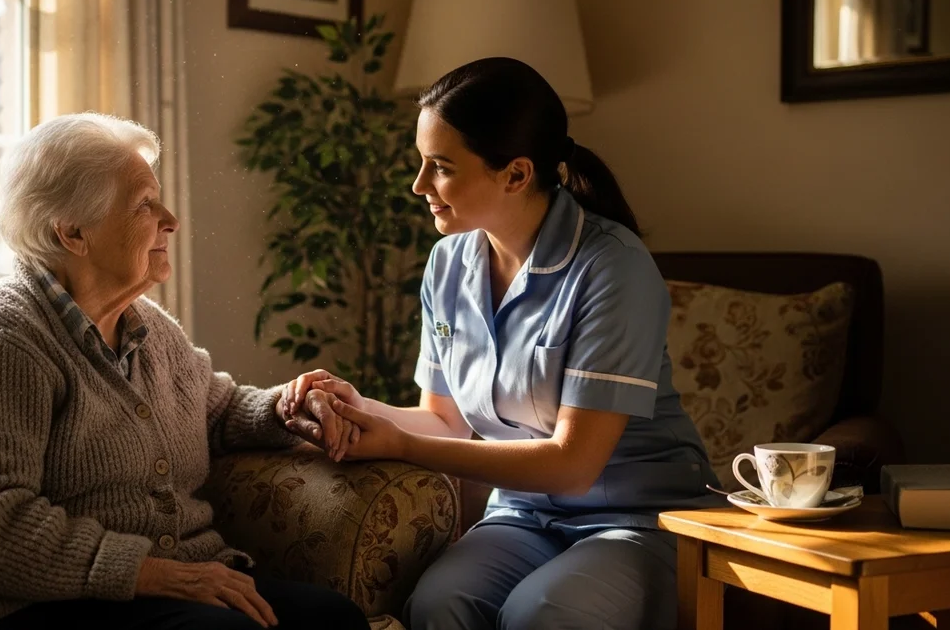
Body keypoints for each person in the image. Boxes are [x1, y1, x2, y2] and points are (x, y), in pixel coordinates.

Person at [281, 57, 724, 630]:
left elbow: (572, 466)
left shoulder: (613, 268)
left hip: (639, 519)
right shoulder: (448, 263)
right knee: (439, 604)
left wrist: (398, 445)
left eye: (440, 168)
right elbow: (443, 421)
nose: (419, 187)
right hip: (521, 516)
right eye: (421, 164)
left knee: (542, 614)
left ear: (515, 174)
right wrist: (356, 407)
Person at [0, 113, 368, 630]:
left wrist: (288, 405)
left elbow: (216, 410)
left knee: (334, 619)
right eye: (144, 204)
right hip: (30, 604)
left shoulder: (147, 328)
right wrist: (149, 573)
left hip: (166, 587)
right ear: (73, 232)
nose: (170, 218)